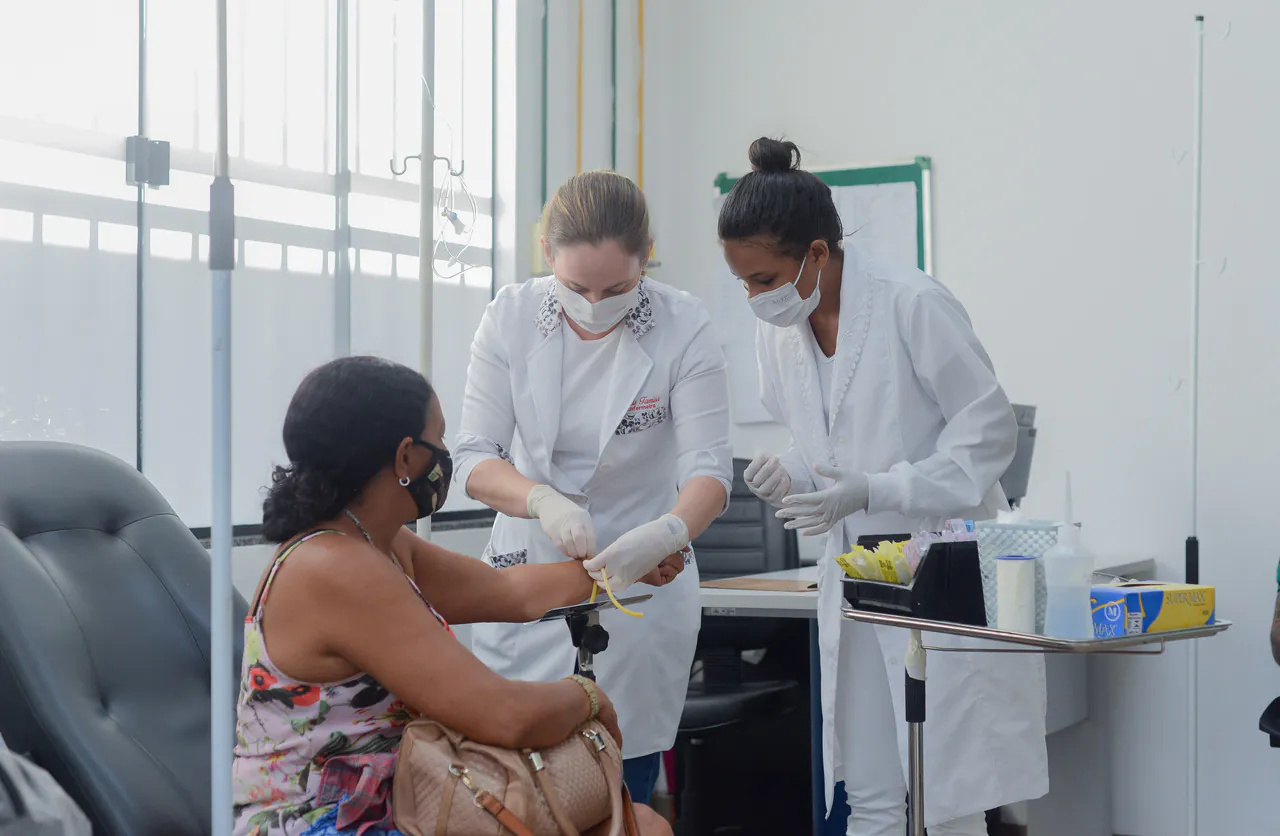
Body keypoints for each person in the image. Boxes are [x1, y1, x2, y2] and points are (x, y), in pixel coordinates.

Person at [717, 138, 1048, 836]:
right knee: (868, 790)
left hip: (940, 568)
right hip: (855, 576)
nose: (754, 297)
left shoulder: (912, 304)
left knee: (948, 795)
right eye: (743, 282)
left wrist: (877, 488)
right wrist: (793, 472)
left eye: (764, 278)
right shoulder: (777, 335)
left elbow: (989, 434)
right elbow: (825, 450)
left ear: (816, 253)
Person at [232, 356, 673, 836]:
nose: (443, 454)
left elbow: (508, 592)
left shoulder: (377, 543)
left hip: (399, 801)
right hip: (326, 822)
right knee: (640, 827)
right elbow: (504, 716)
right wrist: (586, 696)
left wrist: (624, 567)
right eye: (438, 439)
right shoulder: (337, 568)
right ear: (405, 457)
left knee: (639, 824)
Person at [453, 170, 733, 805]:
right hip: (530, 568)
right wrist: (541, 501)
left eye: (618, 288)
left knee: (620, 783)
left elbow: (710, 470)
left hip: (644, 577)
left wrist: (666, 531)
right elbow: (473, 457)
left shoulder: (682, 325)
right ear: (547, 254)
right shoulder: (511, 317)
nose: (596, 303)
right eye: (577, 287)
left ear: (647, 257)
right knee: (520, 784)